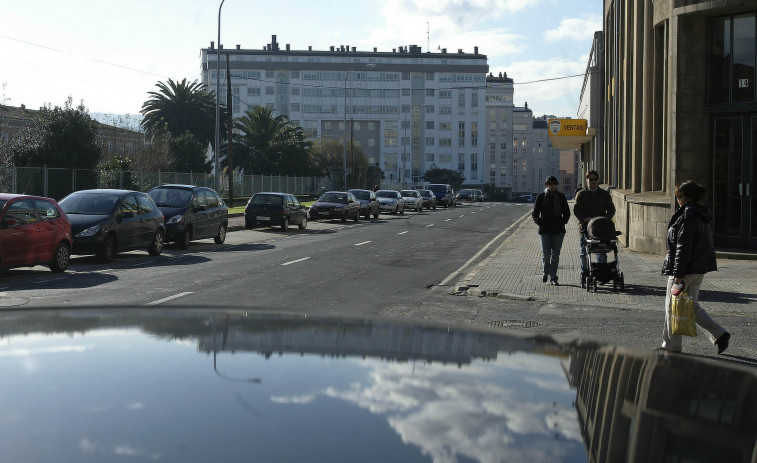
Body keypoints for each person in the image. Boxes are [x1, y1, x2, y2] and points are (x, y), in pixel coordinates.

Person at [660, 180, 730, 354]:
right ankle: (719, 334)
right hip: (698, 268)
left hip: (686, 269)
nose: (677, 200)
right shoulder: (701, 214)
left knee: (672, 305)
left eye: (678, 196)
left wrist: (678, 274)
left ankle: (671, 346)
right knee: (691, 306)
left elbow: (683, 247)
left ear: (683, 197)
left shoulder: (687, 216)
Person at [573, 170, 616, 277]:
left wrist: (605, 219)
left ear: (598, 181)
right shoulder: (581, 194)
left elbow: (611, 209)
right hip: (585, 227)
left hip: (600, 228)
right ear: (586, 180)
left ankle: (601, 272)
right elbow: (576, 209)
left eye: (595, 179)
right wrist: (584, 219)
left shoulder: (604, 194)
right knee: (584, 251)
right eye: (590, 179)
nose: (592, 181)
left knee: (601, 251)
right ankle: (585, 271)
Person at [532, 176, 571, 285]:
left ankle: (553, 277)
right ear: (546, 185)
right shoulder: (541, 197)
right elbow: (535, 214)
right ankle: (545, 272)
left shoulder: (561, 197)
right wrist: (541, 223)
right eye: (550, 183)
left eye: (554, 183)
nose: (552, 185)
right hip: (544, 231)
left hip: (558, 231)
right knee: (546, 254)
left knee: (555, 255)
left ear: (556, 184)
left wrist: (562, 222)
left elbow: (567, 213)